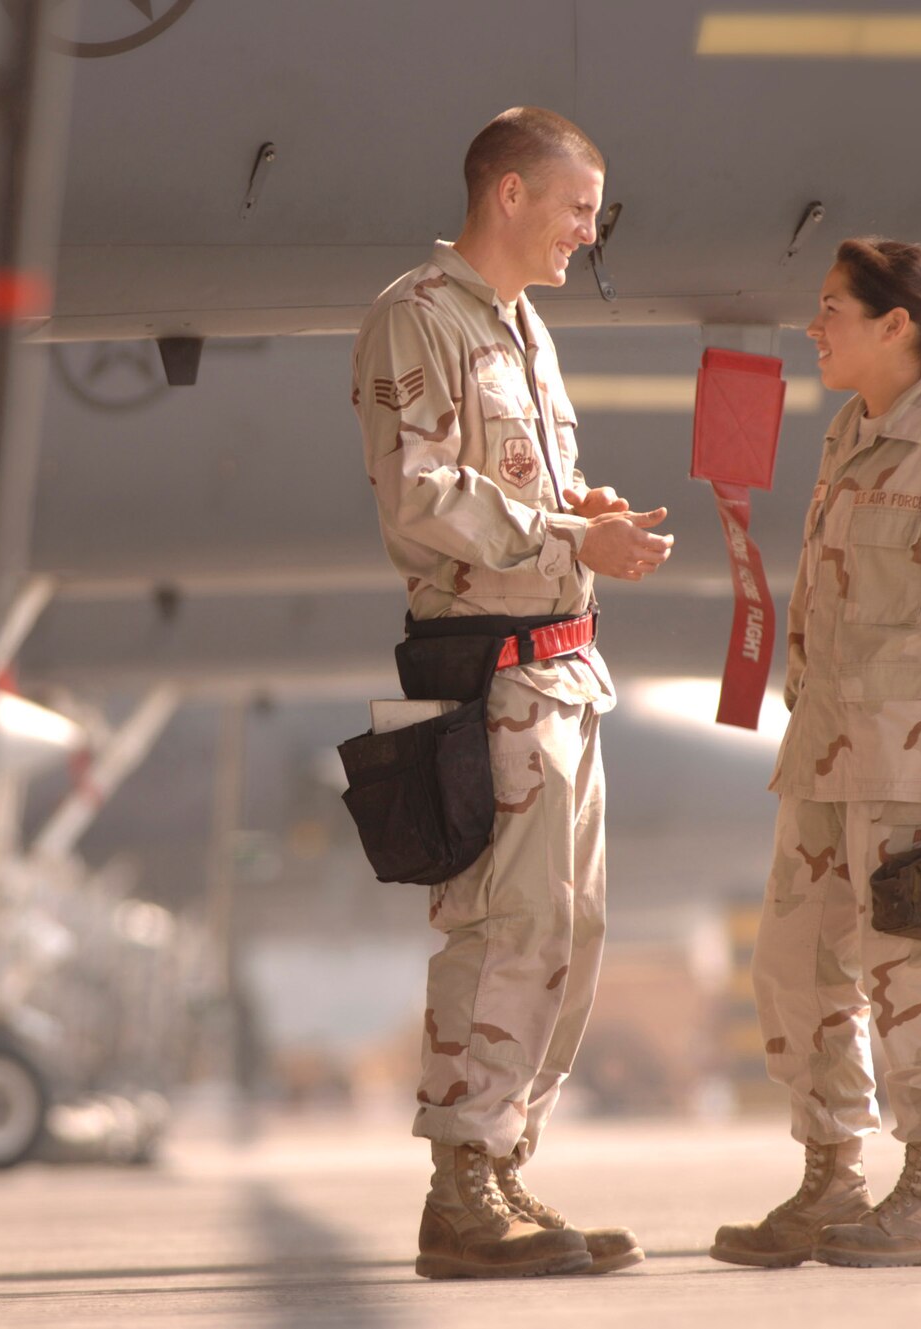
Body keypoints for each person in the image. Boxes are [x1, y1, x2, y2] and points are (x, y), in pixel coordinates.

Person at [350, 107, 675, 1281]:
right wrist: (567, 538)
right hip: (487, 664)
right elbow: (421, 497)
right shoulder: (416, 321)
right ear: (508, 195)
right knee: (502, 925)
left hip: (557, 668)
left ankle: (500, 1166)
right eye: (577, 208)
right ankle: (459, 1187)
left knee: (569, 933)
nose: (587, 232)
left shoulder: (523, 331)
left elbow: (521, 481)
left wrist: (582, 514)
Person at [711, 238, 921, 1270]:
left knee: (911, 976)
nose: (813, 328)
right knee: (796, 971)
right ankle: (828, 1179)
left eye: (830, 310)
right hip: (822, 754)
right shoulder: (851, 436)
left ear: (894, 324)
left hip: (911, 764)